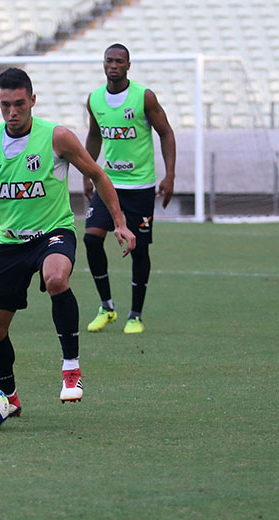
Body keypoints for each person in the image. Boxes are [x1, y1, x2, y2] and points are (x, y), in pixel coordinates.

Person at [0, 68, 135, 416]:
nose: (12, 112)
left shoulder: (57, 137)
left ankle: (71, 369)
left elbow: (97, 174)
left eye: (19, 103)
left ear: (32, 100)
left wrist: (120, 224)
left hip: (54, 232)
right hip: (10, 244)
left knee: (56, 278)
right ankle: (9, 398)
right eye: (5, 104)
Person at [83, 43, 177, 335]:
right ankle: (107, 307)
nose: (113, 65)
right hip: (107, 183)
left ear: (128, 65)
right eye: (109, 60)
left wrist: (169, 175)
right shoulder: (95, 99)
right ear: (103, 64)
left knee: (139, 249)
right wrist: (88, 171)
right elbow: (95, 135)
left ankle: (135, 314)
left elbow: (166, 132)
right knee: (91, 239)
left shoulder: (143, 97)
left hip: (140, 186)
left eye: (119, 61)